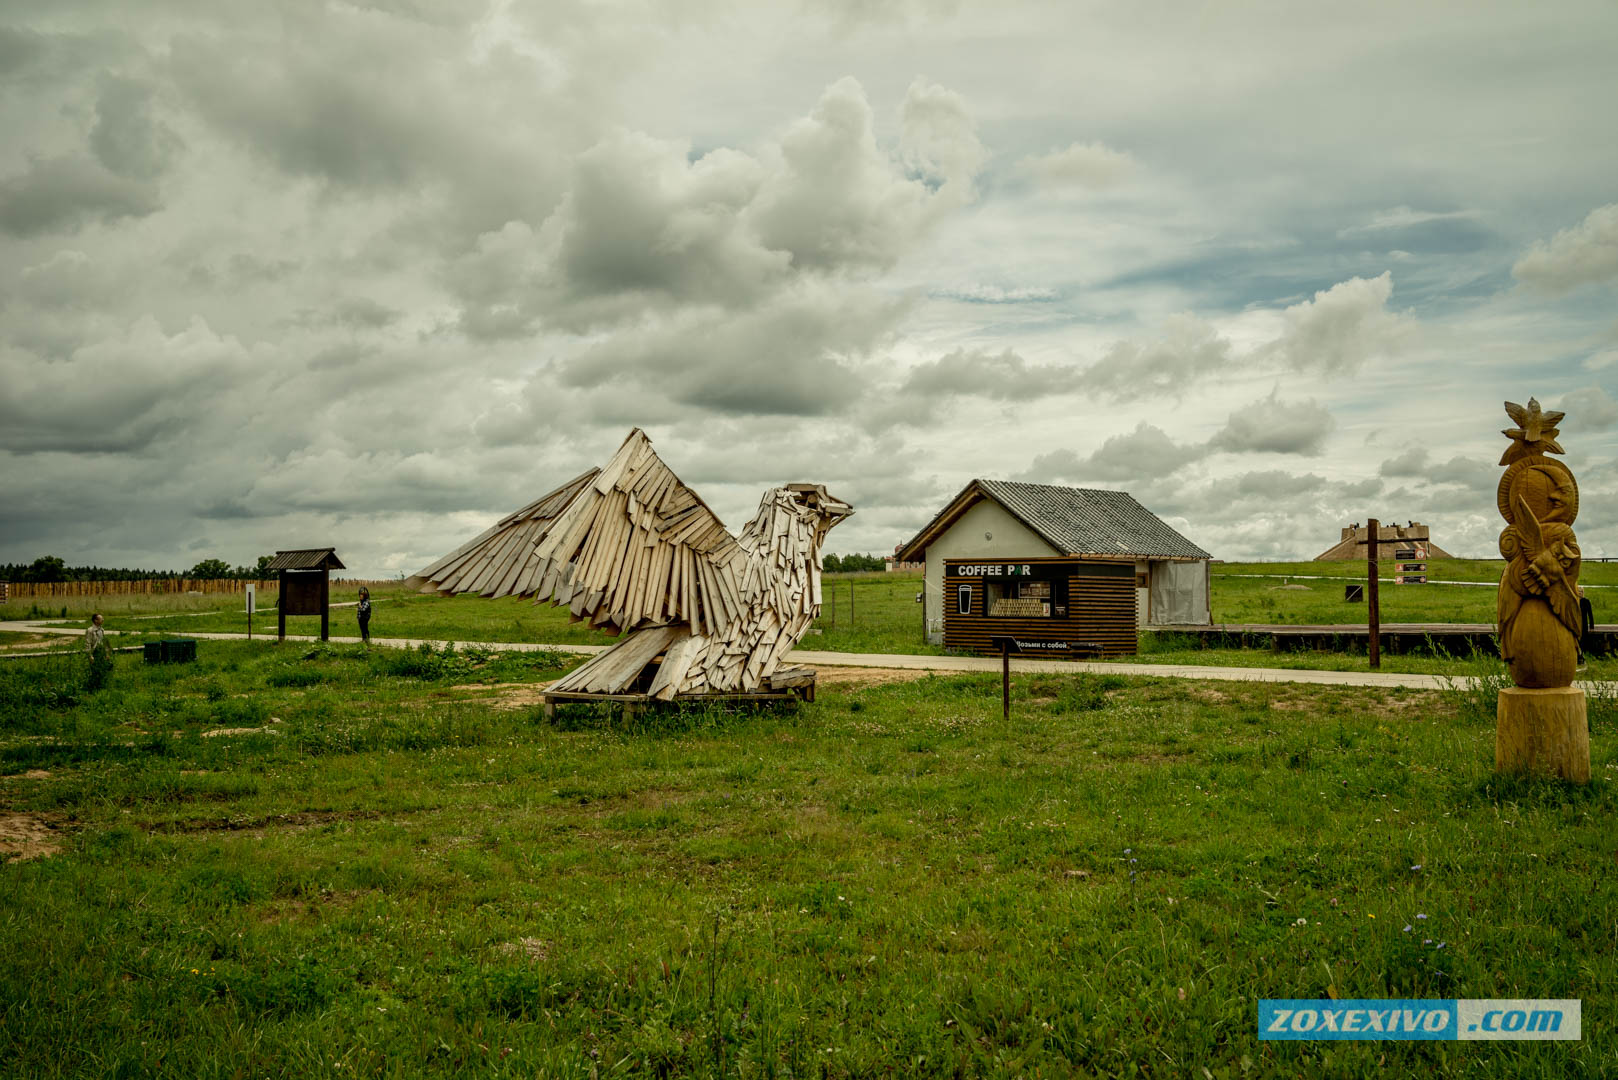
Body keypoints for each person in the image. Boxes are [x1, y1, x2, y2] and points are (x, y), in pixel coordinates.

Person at [85, 612, 113, 689]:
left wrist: (107, 653)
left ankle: (103, 684)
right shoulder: (90, 630)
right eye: (101, 619)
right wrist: (90, 655)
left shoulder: (102, 630)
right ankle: (93, 686)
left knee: (105, 667)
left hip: (102, 652)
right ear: (95, 620)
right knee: (95, 669)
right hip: (95, 652)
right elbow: (88, 643)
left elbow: (104, 641)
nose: (103, 620)